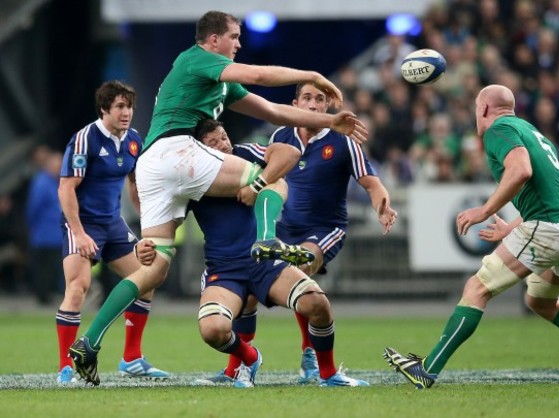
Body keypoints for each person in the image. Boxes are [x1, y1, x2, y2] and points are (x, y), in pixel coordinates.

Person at [69, 10, 367, 386]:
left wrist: (328, 121)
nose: (239, 44)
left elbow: (274, 110)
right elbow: (259, 78)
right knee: (269, 180)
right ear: (213, 40)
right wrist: (312, 75)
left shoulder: (218, 84)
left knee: (154, 268)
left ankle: (90, 342)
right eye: (234, 36)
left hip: (151, 166)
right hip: (177, 152)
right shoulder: (197, 58)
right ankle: (266, 240)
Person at [384, 84, 559, 388]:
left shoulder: (498, 130)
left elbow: (521, 171)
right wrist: (512, 227)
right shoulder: (532, 132)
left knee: (477, 287)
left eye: (477, 109)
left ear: (485, 109)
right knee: (540, 301)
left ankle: (428, 369)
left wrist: (484, 210)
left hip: (550, 227)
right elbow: (546, 191)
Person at [140, 119, 368, 387]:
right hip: (224, 269)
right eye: (213, 143)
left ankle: (329, 374)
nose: (223, 144)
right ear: (201, 151)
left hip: (265, 262)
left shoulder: (245, 154)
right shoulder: (191, 176)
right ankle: (249, 358)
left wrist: (257, 184)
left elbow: (287, 155)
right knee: (213, 330)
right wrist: (144, 244)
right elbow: (163, 223)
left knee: (317, 304)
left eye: (224, 136)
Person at [211, 82, 397, 384]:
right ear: (295, 103)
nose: (312, 105)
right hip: (284, 229)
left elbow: (372, 183)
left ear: (327, 107)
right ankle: (238, 368)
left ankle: (310, 355)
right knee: (246, 293)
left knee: (301, 266)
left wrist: (383, 206)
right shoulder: (280, 137)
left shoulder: (342, 141)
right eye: (307, 98)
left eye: (319, 100)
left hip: (326, 229)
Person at [58, 80, 169, 384]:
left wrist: (148, 226)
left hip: (113, 224)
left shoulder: (133, 140)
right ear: (104, 109)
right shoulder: (85, 139)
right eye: (120, 106)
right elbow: (66, 188)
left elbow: (136, 185)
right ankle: (65, 368)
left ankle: (132, 359)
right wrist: (79, 233)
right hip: (82, 224)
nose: (127, 112)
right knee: (78, 287)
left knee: (147, 279)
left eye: (129, 106)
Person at [25, 147, 65, 305]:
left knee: (55, 267)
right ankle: (42, 296)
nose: (60, 167)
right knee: (43, 267)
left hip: (56, 235)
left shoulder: (57, 182)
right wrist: (31, 226)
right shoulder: (42, 182)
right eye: (57, 164)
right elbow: (33, 208)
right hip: (43, 234)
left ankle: (49, 294)